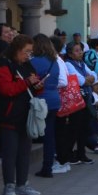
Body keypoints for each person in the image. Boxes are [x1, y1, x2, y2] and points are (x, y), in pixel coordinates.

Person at [0, 34, 43, 195]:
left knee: (24, 153)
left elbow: (32, 88)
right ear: (16, 49)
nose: (28, 55)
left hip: (26, 117)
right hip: (9, 117)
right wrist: (26, 83)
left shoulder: (28, 65)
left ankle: (23, 184)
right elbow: (6, 89)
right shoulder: (3, 65)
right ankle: (9, 186)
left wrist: (38, 85)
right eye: (25, 51)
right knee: (10, 153)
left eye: (30, 52)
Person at [31, 34, 67, 177]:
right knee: (49, 135)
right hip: (54, 100)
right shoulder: (55, 62)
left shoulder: (34, 62)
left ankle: (45, 168)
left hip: (40, 100)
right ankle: (48, 166)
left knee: (36, 131)